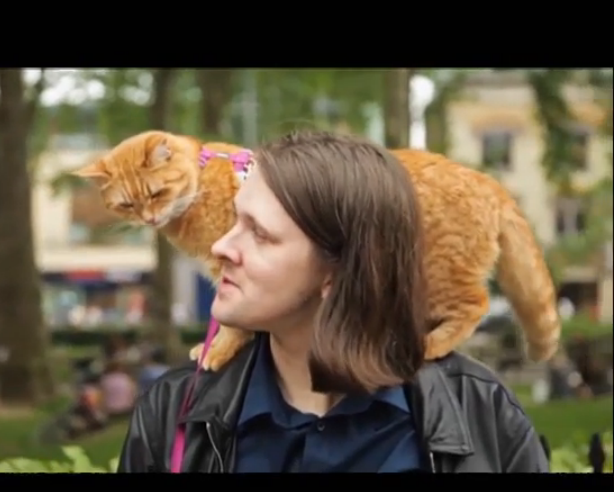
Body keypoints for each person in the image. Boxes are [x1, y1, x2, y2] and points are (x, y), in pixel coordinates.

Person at [117, 130, 549, 473]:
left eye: (259, 233)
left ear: (337, 269)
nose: (221, 248)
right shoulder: (172, 412)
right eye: (235, 222)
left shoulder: (481, 412)